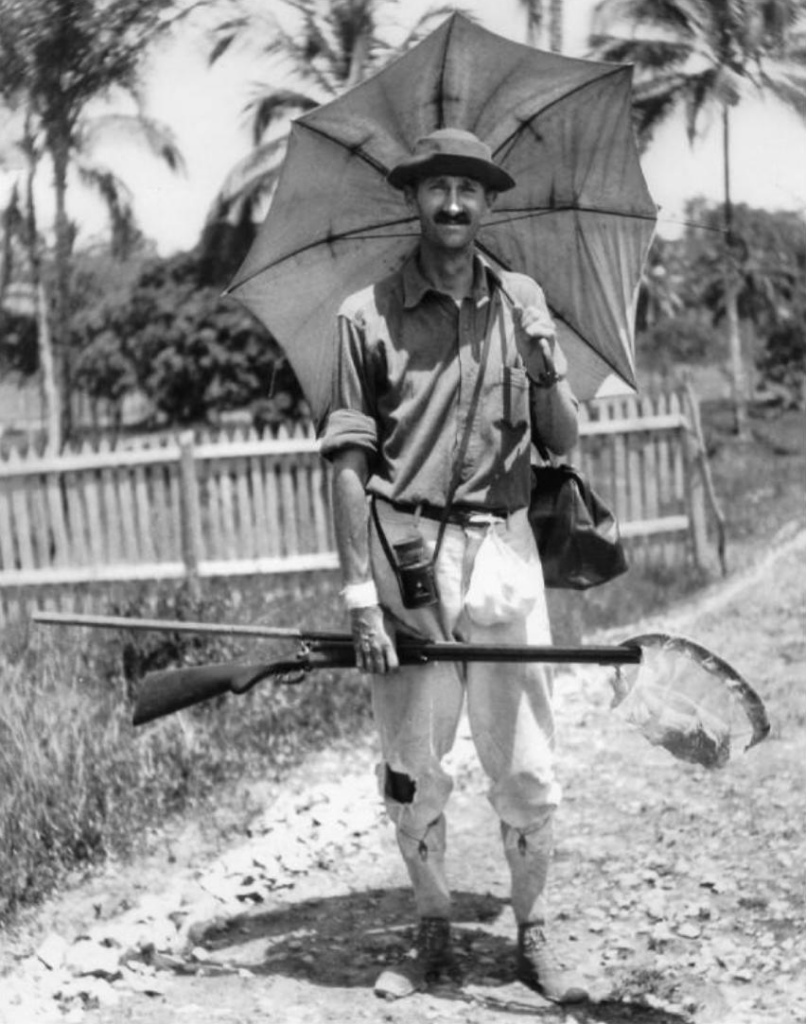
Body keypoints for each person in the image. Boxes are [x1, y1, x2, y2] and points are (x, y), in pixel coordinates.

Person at [319, 128, 587, 1005]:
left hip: (505, 552)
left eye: (470, 190)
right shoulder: (368, 315)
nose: (455, 205)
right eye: (438, 188)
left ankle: (533, 931)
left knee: (526, 762)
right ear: (414, 198)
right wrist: (361, 594)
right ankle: (433, 925)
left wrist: (546, 360)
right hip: (406, 560)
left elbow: (561, 440)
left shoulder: (523, 302)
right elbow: (350, 467)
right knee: (412, 762)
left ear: (490, 203)